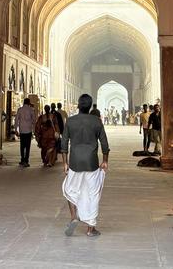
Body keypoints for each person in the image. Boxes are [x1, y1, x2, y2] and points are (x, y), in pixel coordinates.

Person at [61, 94, 110, 238]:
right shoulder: (96, 121)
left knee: (70, 189)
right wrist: (105, 160)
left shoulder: (70, 121)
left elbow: (64, 144)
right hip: (91, 163)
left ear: (78, 105)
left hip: (75, 162)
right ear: (90, 106)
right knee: (93, 194)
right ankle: (90, 229)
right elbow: (104, 143)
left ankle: (73, 216)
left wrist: (65, 162)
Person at [15, 97, 35, 167]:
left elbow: (16, 120)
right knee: (27, 146)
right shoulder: (31, 110)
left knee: (22, 145)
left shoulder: (20, 110)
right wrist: (34, 130)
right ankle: (26, 160)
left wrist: (15, 130)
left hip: (22, 130)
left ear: (23, 102)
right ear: (29, 103)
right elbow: (33, 121)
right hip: (28, 130)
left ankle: (22, 159)